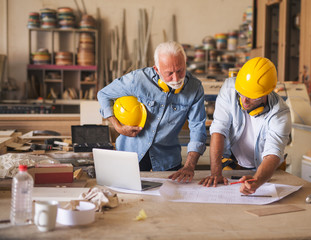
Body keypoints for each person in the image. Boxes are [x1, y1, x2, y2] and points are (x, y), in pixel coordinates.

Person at [97, 41, 207, 182]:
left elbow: (198, 128)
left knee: (168, 201)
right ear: (156, 70)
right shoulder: (138, 80)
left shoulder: (195, 88)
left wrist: (190, 166)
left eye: (180, 70)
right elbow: (104, 94)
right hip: (130, 154)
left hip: (167, 159)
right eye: (169, 74)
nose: (176, 78)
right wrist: (118, 127)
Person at [199, 57, 291, 195]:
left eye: (252, 96)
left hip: (265, 169)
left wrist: (257, 180)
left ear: (266, 93)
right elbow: (219, 130)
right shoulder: (230, 88)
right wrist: (216, 173)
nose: (244, 100)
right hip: (234, 161)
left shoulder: (280, 113)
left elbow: (273, 153)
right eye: (242, 94)